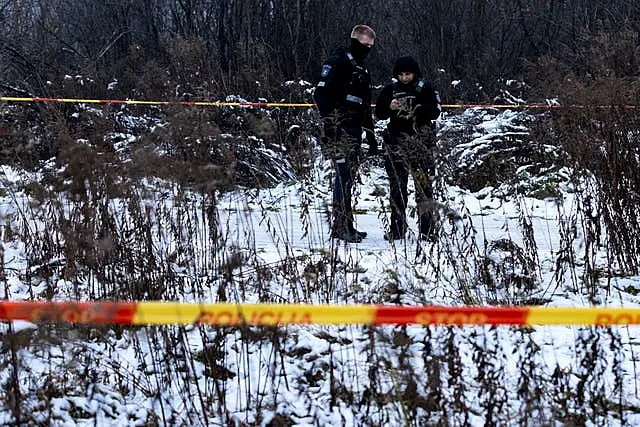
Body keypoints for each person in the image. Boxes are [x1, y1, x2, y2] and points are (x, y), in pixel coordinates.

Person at [314, 24, 378, 243]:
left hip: (355, 129)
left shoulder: (362, 68)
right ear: (355, 41)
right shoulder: (338, 61)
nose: (368, 49)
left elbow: (365, 104)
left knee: (349, 178)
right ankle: (340, 226)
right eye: (365, 45)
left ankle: (347, 224)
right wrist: (330, 126)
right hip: (339, 128)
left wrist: (371, 135)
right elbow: (321, 95)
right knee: (343, 177)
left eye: (370, 46)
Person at [375, 56, 441, 241]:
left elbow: (435, 111)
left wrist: (415, 108)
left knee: (423, 189)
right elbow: (379, 114)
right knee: (397, 188)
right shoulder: (390, 89)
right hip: (396, 144)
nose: (404, 78)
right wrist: (390, 107)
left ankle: (427, 231)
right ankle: (397, 228)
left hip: (420, 144)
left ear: (415, 73)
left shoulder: (425, 88)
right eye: (401, 74)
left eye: (408, 74)